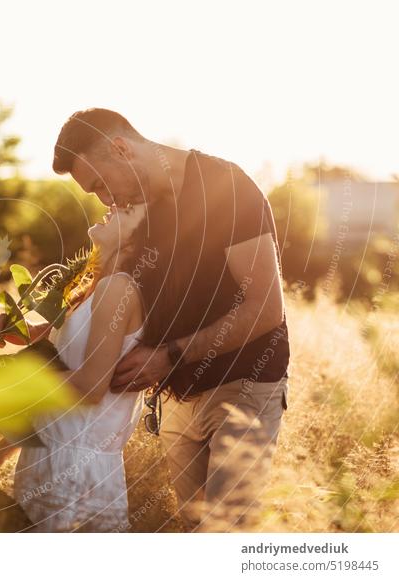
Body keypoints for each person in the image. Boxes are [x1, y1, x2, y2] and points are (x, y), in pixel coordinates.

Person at [50, 108, 291, 530]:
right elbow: (114, 294)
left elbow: (266, 310)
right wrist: (37, 327)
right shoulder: (140, 214)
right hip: (178, 397)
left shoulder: (226, 189)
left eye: (101, 185)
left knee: (226, 530)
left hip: (243, 385)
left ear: (121, 148)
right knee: (195, 529)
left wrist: (169, 355)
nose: (106, 201)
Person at [0, 204, 150, 532]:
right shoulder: (91, 286)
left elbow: (89, 388)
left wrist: (12, 374)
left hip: (77, 468)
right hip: (51, 456)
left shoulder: (119, 289)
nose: (113, 204)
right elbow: (62, 361)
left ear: (134, 242)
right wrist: (21, 331)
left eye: (127, 209)